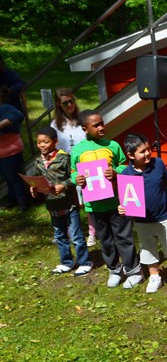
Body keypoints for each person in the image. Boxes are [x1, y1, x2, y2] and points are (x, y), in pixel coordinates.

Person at [70, 110, 143, 288]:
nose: (101, 127)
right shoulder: (77, 150)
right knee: (106, 239)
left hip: (116, 202)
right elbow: (73, 172)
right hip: (94, 205)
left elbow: (125, 166)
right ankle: (114, 270)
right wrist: (76, 179)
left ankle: (133, 270)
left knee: (123, 236)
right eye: (96, 125)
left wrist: (115, 172)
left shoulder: (112, 145)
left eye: (102, 123)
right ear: (85, 129)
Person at [119, 133, 167, 293]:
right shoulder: (126, 175)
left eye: (149, 149)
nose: (148, 153)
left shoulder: (159, 164)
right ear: (130, 155)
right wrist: (121, 208)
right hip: (143, 221)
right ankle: (154, 275)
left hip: (165, 215)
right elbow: (125, 199)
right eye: (142, 151)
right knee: (147, 248)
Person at [31, 126, 93, 276]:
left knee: (76, 234)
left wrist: (63, 185)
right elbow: (40, 180)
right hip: (52, 204)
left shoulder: (64, 158)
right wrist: (34, 188)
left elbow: (75, 177)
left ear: (55, 142)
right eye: (39, 142)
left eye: (45, 142)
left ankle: (84, 262)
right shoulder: (38, 161)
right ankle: (67, 261)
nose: (42, 145)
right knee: (59, 235)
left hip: (68, 203)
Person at [51, 87, 96, 246]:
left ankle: (92, 231)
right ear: (59, 104)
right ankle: (73, 230)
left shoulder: (83, 119)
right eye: (65, 103)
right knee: (73, 201)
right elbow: (54, 146)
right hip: (67, 166)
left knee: (89, 199)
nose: (70, 105)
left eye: (71, 101)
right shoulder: (56, 125)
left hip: (85, 163)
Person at [0, 85, 28, 211]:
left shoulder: (6, 108)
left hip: (10, 150)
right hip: (2, 153)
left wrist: (2, 124)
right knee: (8, 178)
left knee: (15, 178)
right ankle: (12, 199)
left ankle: (23, 203)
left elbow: (18, 115)